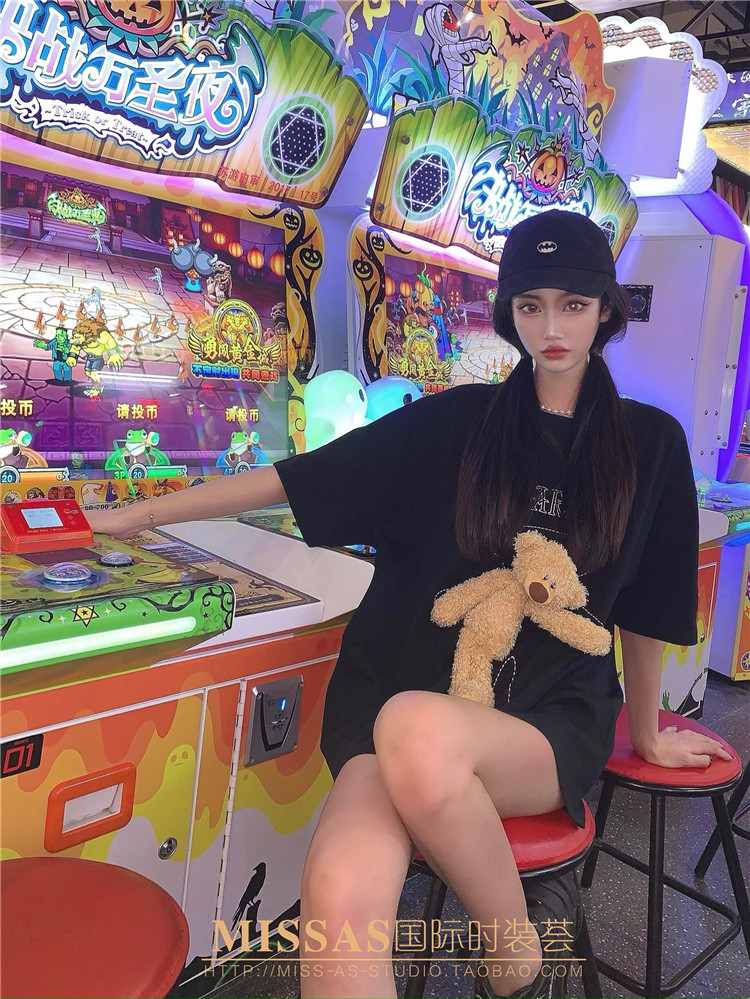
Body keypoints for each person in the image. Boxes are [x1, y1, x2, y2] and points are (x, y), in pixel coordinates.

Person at [88, 211, 731, 999]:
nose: (552, 327)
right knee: (338, 887)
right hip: (403, 684)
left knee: (416, 733)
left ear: (605, 310)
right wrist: (145, 514)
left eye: (573, 304)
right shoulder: (459, 420)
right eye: (532, 306)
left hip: (544, 717)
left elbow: (647, 607)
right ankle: (520, 958)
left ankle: (515, 960)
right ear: (510, 313)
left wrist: (649, 731)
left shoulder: (650, 443)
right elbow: (304, 478)